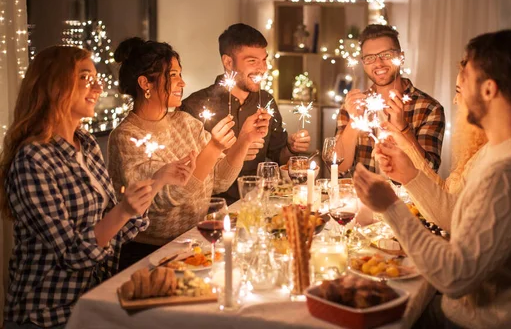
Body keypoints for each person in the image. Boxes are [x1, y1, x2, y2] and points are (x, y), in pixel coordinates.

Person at [354, 30, 511, 329]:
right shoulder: (507, 148)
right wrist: (408, 174)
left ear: (488, 90)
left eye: (464, 83)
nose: (456, 94)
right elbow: (453, 216)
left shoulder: (510, 173)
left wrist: (391, 207)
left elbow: (455, 278)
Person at [0, 46, 154, 329]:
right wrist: (123, 211)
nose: (98, 86)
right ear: (55, 85)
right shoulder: (33, 159)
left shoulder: (87, 144)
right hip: (46, 315)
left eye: (97, 77)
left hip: (93, 302)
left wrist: (157, 183)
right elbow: (73, 254)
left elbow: (111, 227)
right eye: (86, 77)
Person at [108, 38, 268, 269]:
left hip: (193, 243)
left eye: (180, 74)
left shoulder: (185, 122)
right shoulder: (126, 136)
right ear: (145, 83)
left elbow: (220, 181)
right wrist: (213, 148)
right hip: (150, 256)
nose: (182, 82)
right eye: (172, 75)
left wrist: (244, 140)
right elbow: (166, 198)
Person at [387, 70, 511, 230]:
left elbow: (453, 217)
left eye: (459, 91)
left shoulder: (505, 155)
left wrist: (406, 175)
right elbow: (447, 194)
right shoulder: (492, 146)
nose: (455, 100)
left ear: (488, 94)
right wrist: (403, 140)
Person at [180, 23, 310, 204]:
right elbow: (187, 178)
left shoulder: (266, 101)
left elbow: (277, 157)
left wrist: (291, 148)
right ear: (228, 62)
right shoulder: (195, 106)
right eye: (252, 61)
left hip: (260, 203)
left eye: (264, 60)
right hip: (213, 210)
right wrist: (233, 152)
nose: (262, 68)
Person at [335, 24, 445, 174]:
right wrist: (354, 121)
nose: (378, 63)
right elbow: (339, 168)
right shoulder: (353, 106)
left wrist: (403, 128)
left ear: (401, 57)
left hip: (407, 197)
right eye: (370, 58)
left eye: (386, 55)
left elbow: (429, 171)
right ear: (363, 63)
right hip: (361, 196)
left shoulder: (429, 108)